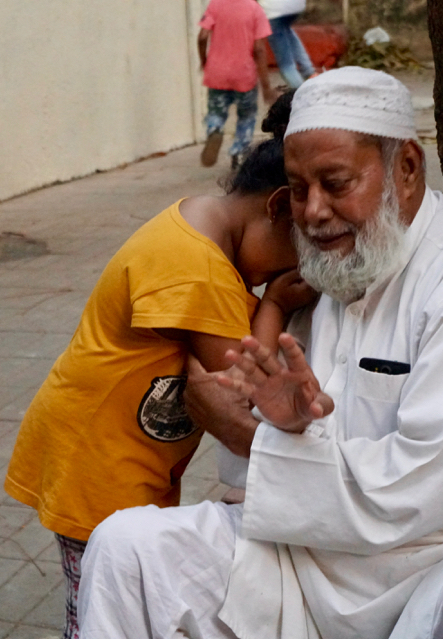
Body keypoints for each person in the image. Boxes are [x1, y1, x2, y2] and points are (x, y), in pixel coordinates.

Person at [77, 67, 443, 639]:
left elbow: (424, 486)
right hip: (310, 554)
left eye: (335, 183)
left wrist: (256, 438)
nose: (312, 212)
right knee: (128, 546)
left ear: (406, 168)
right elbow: (249, 476)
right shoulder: (322, 273)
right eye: (299, 188)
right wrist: (276, 423)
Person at [4, 106, 314, 639]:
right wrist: (277, 304)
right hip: (100, 464)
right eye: (297, 253)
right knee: (97, 605)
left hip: (112, 452)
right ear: (279, 206)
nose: (288, 272)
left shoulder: (197, 220)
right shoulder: (197, 268)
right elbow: (243, 388)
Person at [198, 0, 277, 169]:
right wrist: (266, 86)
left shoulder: (216, 5)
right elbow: (259, 49)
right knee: (246, 116)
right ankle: (239, 152)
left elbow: (202, 36)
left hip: (217, 73)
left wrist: (204, 61)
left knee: (216, 111)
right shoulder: (255, 10)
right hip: (244, 75)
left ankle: (214, 129)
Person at [259, 0, 317, 89]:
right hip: (296, 6)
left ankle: (302, 92)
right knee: (286, 30)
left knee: (286, 65)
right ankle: (309, 71)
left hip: (274, 10)